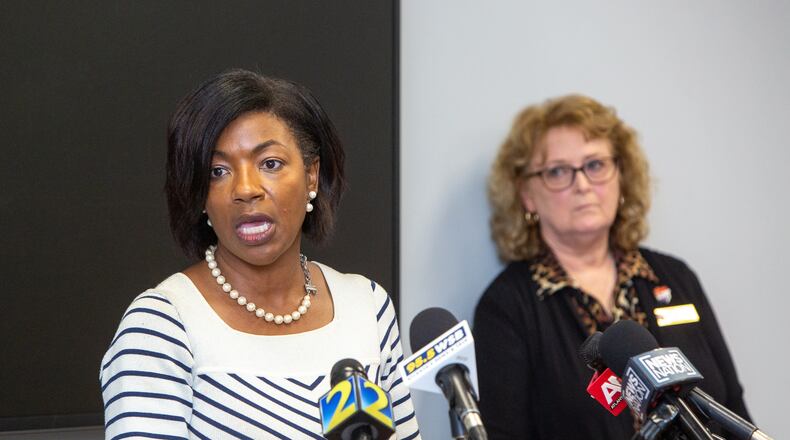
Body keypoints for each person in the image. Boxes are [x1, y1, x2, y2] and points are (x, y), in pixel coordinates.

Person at [99, 69, 420, 439]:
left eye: (270, 163)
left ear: (311, 175)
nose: (245, 189)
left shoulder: (368, 306)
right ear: (200, 193)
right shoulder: (161, 326)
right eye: (217, 171)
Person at [473, 95, 749, 439]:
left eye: (595, 165)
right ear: (527, 195)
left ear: (621, 176)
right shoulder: (507, 306)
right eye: (558, 171)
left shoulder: (675, 278)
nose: (583, 185)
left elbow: (732, 409)